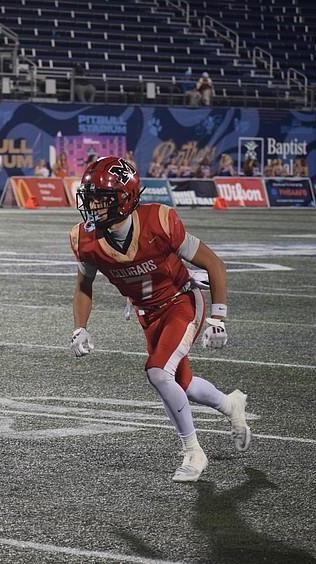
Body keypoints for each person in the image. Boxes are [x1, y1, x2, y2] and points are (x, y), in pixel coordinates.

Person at [69, 156, 250, 483]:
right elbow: (84, 286)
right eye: (91, 198)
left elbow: (215, 265)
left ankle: (194, 451)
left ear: (124, 199)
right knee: (178, 383)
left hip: (181, 302)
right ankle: (230, 404)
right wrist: (80, 327)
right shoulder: (85, 239)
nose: (93, 207)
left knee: (157, 371)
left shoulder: (160, 221)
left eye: (101, 199)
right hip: (147, 313)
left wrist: (219, 318)